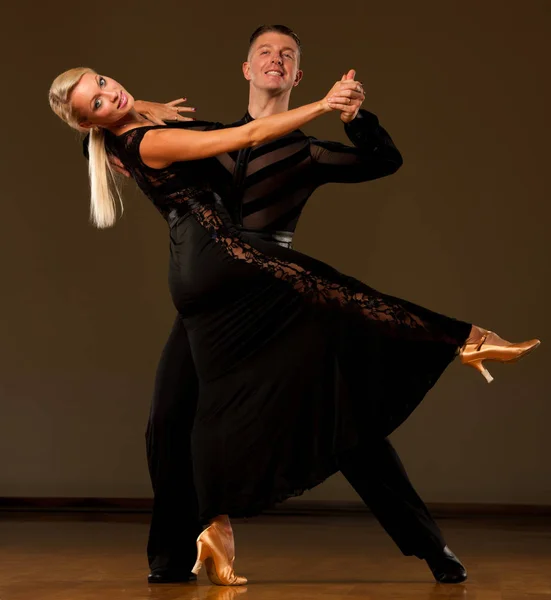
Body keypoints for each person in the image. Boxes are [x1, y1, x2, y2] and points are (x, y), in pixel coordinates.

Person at [50, 64, 539, 587]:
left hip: (227, 283)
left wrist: (349, 115)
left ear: (295, 73)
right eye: (265, 54)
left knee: (322, 414)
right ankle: (461, 338)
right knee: (177, 415)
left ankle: (421, 542)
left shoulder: (289, 146)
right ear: (246, 67)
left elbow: (380, 159)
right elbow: (239, 134)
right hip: (229, 273)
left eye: (103, 82)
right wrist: (324, 103)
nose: (273, 63)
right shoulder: (182, 136)